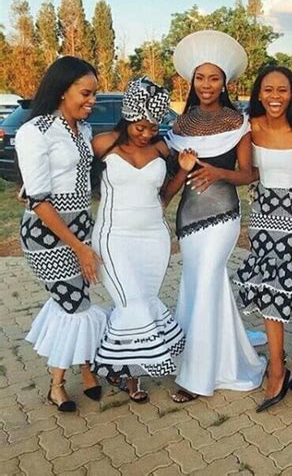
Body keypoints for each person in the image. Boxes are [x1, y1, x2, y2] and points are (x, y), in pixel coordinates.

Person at [162, 30, 266, 402]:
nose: (207, 85)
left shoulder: (238, 123)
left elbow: (249, 173)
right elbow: (174, 182)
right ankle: (211, 356)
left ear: (225, 83)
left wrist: (218, 173)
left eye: (214, 78)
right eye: (200, 78)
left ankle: (197, 378)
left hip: (223, 218)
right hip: (188, 221)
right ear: (191, 81)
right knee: (197, 288)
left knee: (205, 284)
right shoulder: (179, 126)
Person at [15, 56, 108, 412]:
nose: (92, 100)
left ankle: (86, 371)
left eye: (94, 93)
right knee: (75, 304)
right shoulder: (34, 131)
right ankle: (56, 386)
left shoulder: (81, 131)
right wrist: (80, 248)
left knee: (74, 300)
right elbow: (38, 200)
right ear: (62, 89)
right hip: (48, 235)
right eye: (86, 93)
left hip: (80, 225)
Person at [91, 77, 185, 402]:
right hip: (114, 237)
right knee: (131, 303)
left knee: (139, 302)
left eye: (152, 128)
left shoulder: (162, 148)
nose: (146, 134)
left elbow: (164, 196)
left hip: (154, 238)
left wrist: (184, 171)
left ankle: (128, 374)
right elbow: (72, 172)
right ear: (128, 118)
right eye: (140, 127)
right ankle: (110, 364)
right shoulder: (103, 143)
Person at [234, 66, 292, 412]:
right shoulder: (249, 127)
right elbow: (247, 172)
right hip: (263, 210)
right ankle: (280, 365)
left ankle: (277, 371)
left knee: (275, 279)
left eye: (282, 90)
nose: (275, 97)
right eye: (268, 90)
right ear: (259, 93)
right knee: (266, 282)